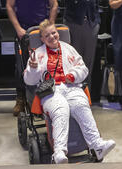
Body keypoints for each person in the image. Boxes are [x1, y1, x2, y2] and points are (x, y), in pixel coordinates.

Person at [23, 21, 116, 164]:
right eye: (47, 35)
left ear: (58, 33)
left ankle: (97, 145)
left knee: (81, 104)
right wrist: (33, 68)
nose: (52, 37)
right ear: (42, 39)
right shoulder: (37, 54)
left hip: (71, 86)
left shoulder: (69, 49)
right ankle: (59, 152)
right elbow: (29, 80)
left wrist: (73, 75)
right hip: (50, 91)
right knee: (61, 109)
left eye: (53, 33)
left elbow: (83, 69)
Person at [8, 0, 59, 115]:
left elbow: (54, 5)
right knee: (21, 67)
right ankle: (21, 99)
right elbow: (9, 6)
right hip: (23, 32)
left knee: (42, 66)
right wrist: (18, 29)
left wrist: (49, 27)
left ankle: (42, 99)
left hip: (41, 33)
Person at [61, 0, 100, 77]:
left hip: (91, 26)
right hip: (74, 25)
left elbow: (96, 5)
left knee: (89, 60)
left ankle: (87, 90)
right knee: (75, 59)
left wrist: (97, 23)